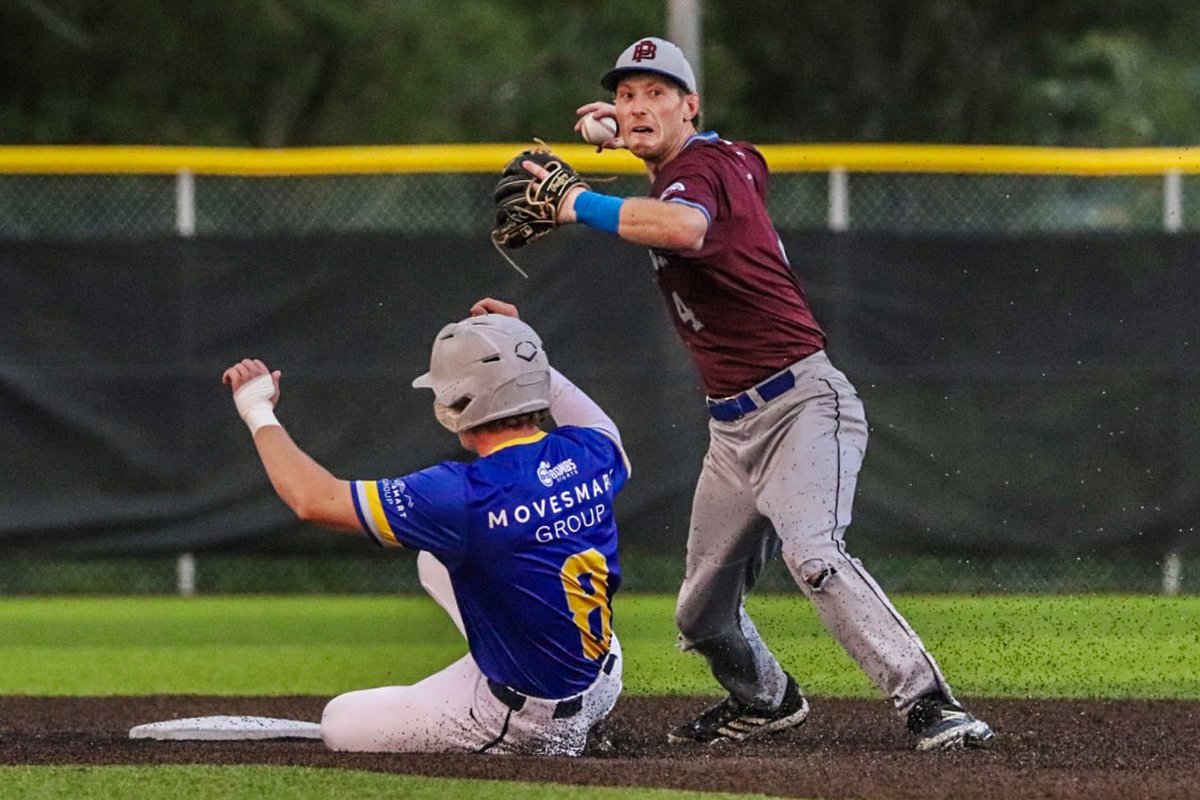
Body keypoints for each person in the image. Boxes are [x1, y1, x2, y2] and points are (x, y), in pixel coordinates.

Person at [519, 36, 993, 751]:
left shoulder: (703, 170)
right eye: (626, 94)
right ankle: (767, 699)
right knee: (700, 615)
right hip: (731, 432)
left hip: (801, 405)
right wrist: (627, 138)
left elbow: (683, 226)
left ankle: (931, 704)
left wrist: (577, 201)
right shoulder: (720, 161)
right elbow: (705, 172)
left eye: (656, 93)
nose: (638, 104)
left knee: (815, 555)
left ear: (691, 106)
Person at [221, 298, 629, 756]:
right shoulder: (590, 452)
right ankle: (518, 668)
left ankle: (548, 734)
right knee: (435, 558)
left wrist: (257, 409)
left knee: (340, 722)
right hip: (603, 674)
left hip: (530, 719)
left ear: (461, 403)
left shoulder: (459, 494)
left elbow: (313, 500)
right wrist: (519, 352)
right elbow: (595, 421)